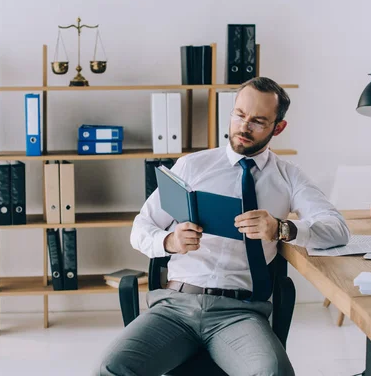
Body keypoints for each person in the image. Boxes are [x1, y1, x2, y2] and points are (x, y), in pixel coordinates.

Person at [97, 77, 350, 376]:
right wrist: (169, 242)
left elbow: (337, 230)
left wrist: (281, 228)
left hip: (240, 314)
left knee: (273, 373)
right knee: (112, 368)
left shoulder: (288, 177)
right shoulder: (193, 166)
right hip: (176, 305)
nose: (244, 127)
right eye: (240, 115)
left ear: (277, 128)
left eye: (257, 121)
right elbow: (141, 227)